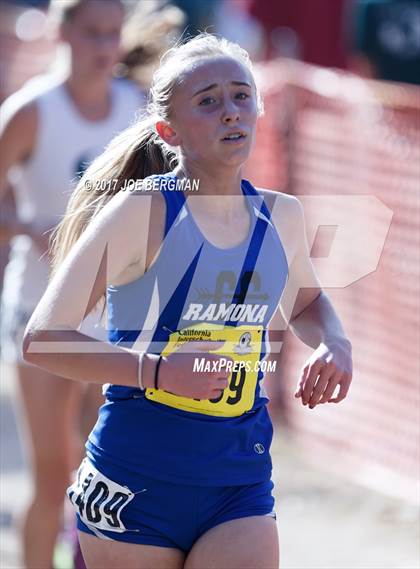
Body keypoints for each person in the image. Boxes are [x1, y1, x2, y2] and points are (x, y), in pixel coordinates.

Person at [22, 33, 353, 569]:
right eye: (208, 101)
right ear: (167, 131)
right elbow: (42, 340)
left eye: (241, 95)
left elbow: (308, 303)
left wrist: (334, 343)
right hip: (136, 483)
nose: (230, 112)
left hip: (237, 482)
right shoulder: (144, 210)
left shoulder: (280, 215)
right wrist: (157, 372)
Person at [0, 1, 142, 567]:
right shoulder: (32, 111)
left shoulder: (136, 108)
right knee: (53, 475)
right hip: (40, 312)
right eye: (93, 33)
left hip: (114, 317)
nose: (105, 47)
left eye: (114, 34)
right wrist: (29, 227)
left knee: (106, 477)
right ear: (63, 32)